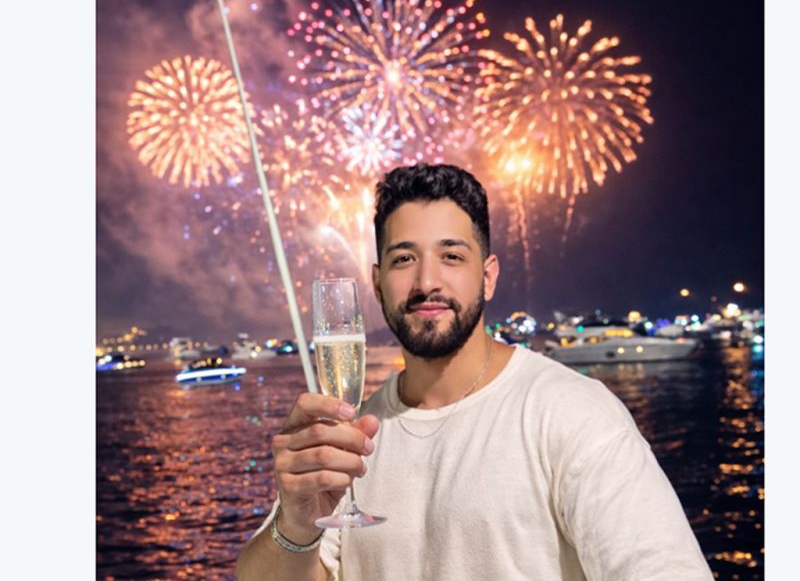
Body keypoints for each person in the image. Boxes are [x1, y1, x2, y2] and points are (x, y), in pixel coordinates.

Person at [237, 164, 713, 580]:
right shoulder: (350, 439)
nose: (427, 282)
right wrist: (296, 525)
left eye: (451, 256)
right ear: (378, 283)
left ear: (487, 277)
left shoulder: (570, 412)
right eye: (404, 259)